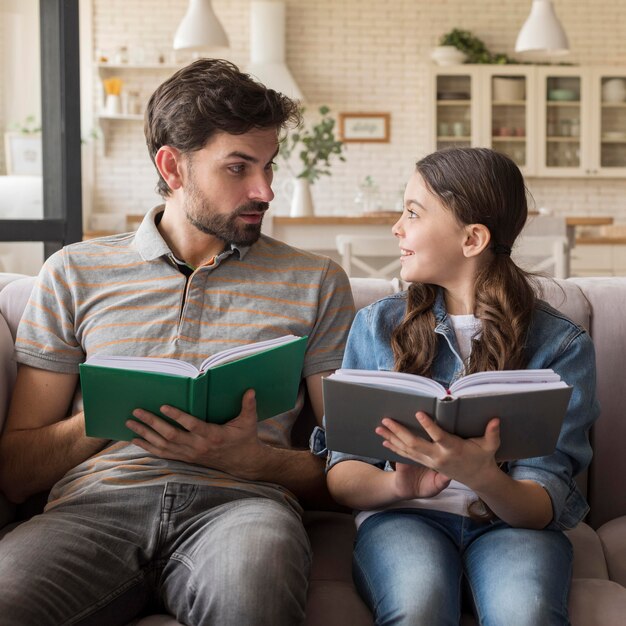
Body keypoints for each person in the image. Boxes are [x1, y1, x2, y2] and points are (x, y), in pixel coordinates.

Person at [0, 58, 354, 625]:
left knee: (252, 596)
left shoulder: (316, 281)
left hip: (244, 509)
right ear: (172, 166)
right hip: (93, 508)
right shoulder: (74, 271)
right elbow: (17, 471)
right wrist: (115, 412)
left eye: (268, 166)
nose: (264, 189)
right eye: (238, 168)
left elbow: (347, 471)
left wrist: (250, 459)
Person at [325, 147, 599, 626]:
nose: (397, 227)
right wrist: (399, 483)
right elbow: (343, 473)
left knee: (526, 613)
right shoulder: (376, 327)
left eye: (413, 212)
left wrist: (484, 476)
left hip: (510, 523)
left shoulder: (560, 344)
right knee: (419, 604)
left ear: (472, 238)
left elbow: (543, 500)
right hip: (403, 517)